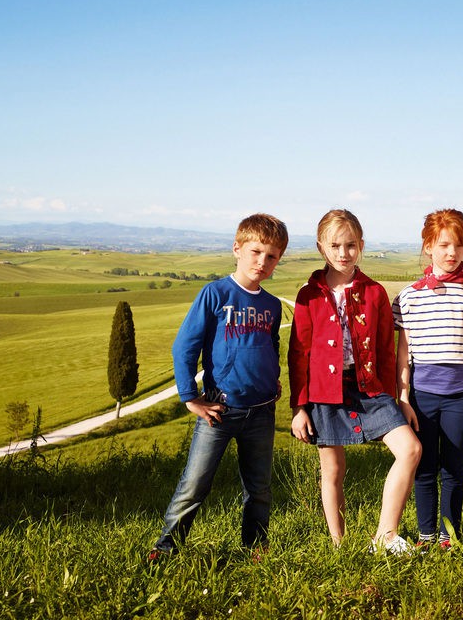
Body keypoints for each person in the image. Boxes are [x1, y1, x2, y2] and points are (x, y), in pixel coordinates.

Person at [149, 213, 288, 561]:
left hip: (262, 411)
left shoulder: (271, 305)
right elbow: (184, 347)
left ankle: (255, 548)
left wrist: (273, 379)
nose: (262, 261)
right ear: (237, 249)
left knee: (259, 488)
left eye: (271, 256)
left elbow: (270, 346)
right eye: (256, 251)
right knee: (195, 484)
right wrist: (189, 397)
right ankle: (166, 548)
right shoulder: (215, 294)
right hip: (220, 410)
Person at [288, 210, 421, 555]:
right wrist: (299, 407)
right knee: (332, 469)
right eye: (335, 245)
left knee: (410, 449)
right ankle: (339, 546)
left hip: (370, 389)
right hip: (324, 392)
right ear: (321, 247)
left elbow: (385, 350)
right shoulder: (308, 294)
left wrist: (396, 400)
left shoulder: (374, 292)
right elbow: (299, 353)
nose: (343, 252)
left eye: (350, 245)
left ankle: (385, 536)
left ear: (361, 245)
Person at [392, 208, 463, 548]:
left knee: (452, 468)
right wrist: (403, 398)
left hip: (460, 397)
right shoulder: (408, 297)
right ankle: (424, 534)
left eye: (460, 245)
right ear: (428, 247)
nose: (452, 253)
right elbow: (403, 354)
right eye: (444, 245)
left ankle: (448, 537)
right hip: (422, 397)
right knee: (424, 467)